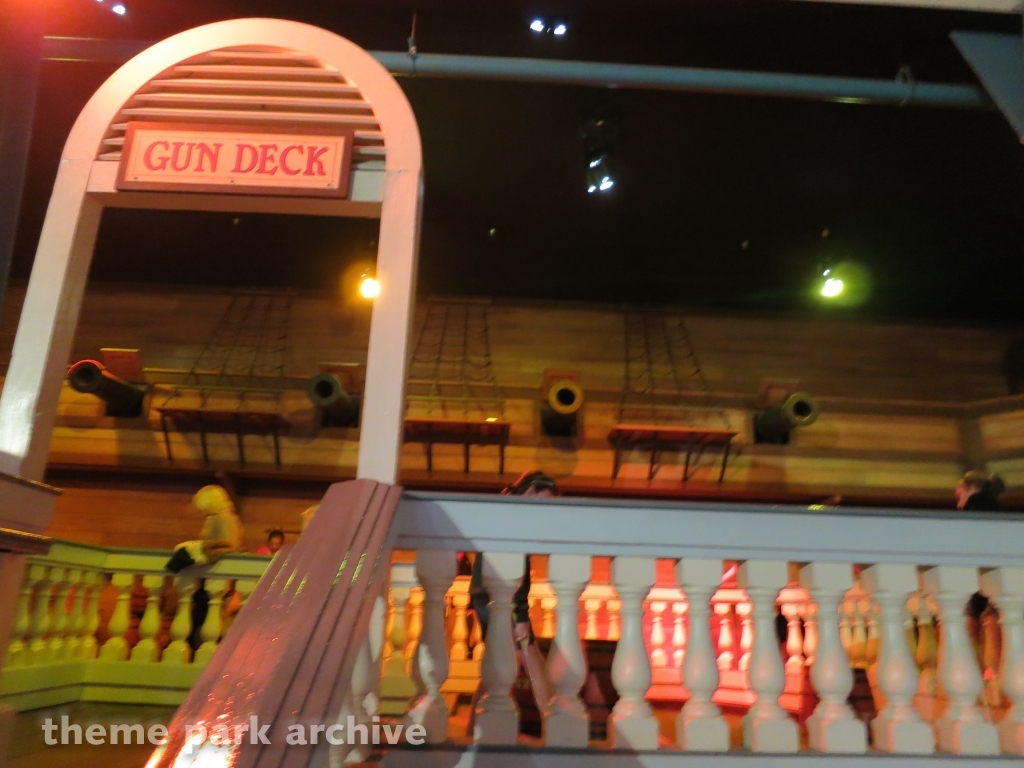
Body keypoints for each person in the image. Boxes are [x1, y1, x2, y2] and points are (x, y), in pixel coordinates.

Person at [467, 470, 558, 736]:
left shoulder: (509, 515)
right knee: (526, 659)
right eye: (546, 501)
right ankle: (554, 727)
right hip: (499, 598)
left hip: (497, 597)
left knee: (502, 664)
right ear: (531, 492)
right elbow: (505, 568)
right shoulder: (510, 518)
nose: (547, 512)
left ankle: (472, 730)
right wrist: (519, 617)